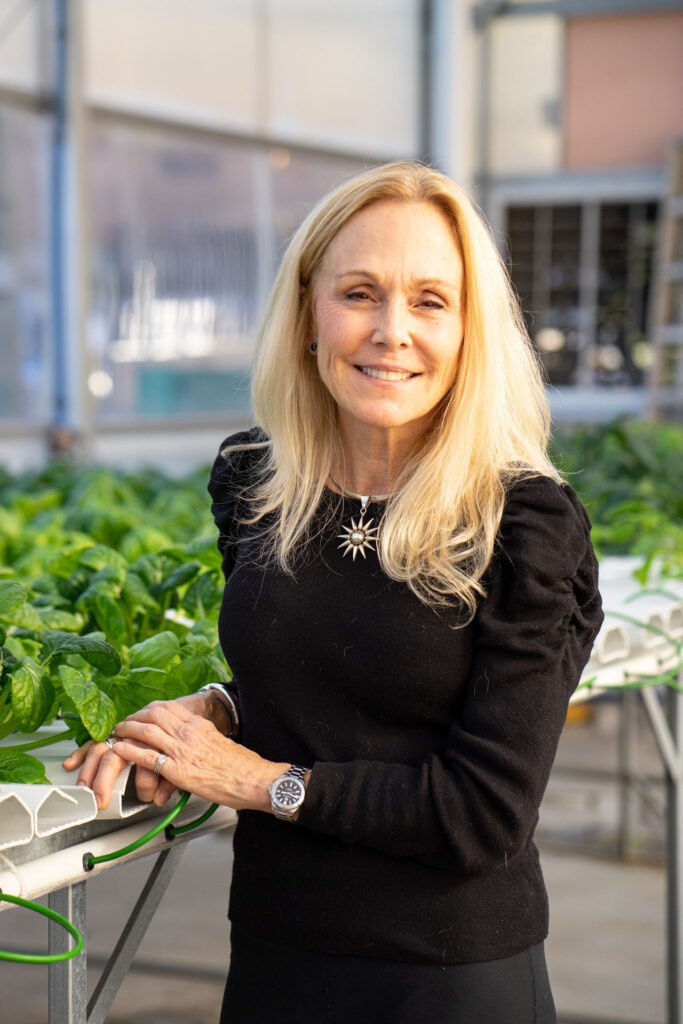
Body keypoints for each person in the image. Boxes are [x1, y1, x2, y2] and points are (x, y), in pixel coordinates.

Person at [63, 161, 603, 1024]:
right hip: (279, 953)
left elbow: (483, 815)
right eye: (359, 293)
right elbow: (327, 684)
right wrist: (209, 715)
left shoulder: (523, 524)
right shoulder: (256, 483)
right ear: (309, 311)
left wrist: (254, 779)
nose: (391, 331)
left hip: (447, 975)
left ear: (470, 332)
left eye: (430, 301)